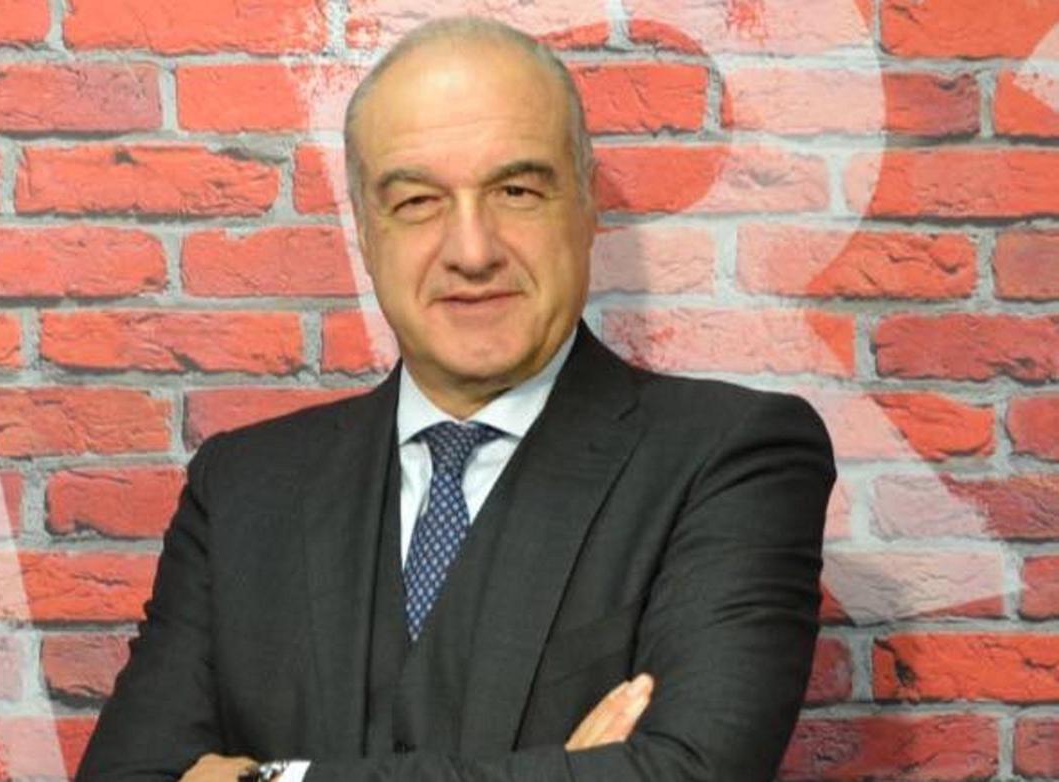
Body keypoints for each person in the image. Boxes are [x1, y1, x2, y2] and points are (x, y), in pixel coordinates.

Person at [76, 16, 835, 782]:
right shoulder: (241, 487)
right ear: (366, 231)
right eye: (417, 202)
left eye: (517, 191)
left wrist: (271, 779)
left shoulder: (734, 458)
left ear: (587, 205)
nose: (472, 251)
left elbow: (688, 773)